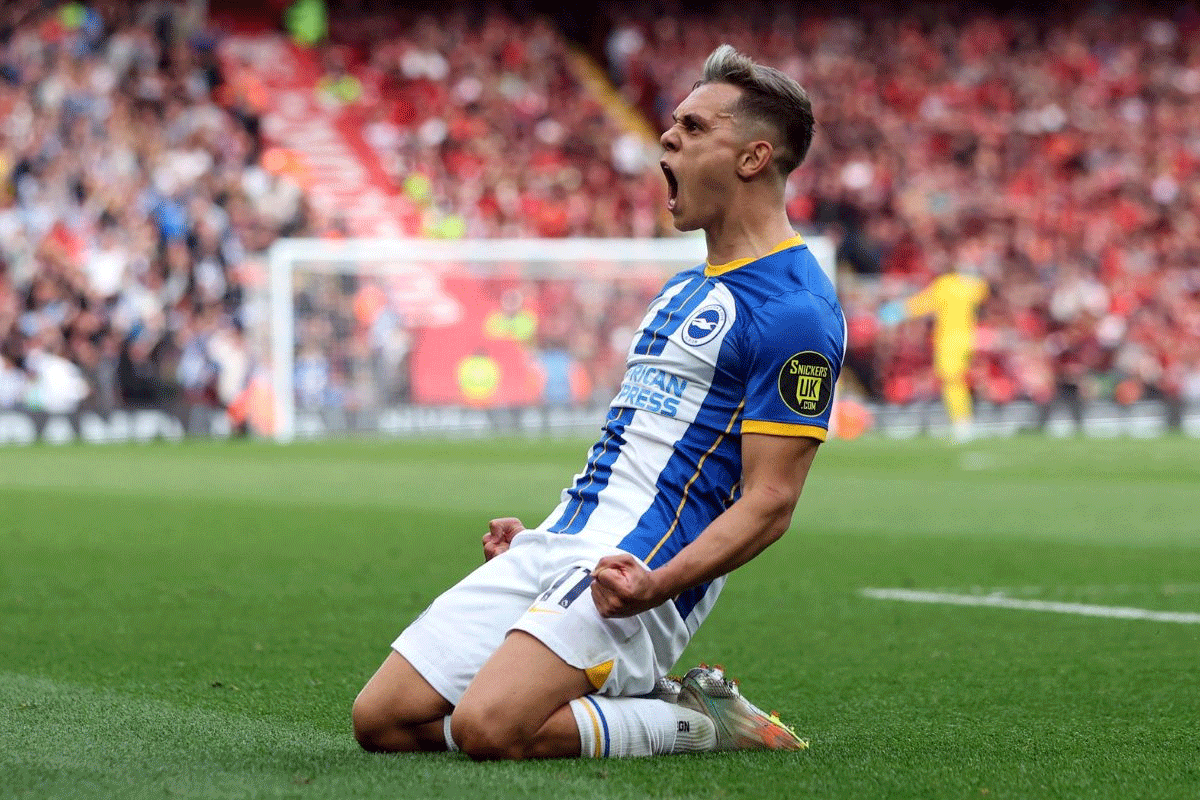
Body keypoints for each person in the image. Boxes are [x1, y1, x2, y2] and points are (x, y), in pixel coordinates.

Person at [352, 44, 845, 760]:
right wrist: (536, 543)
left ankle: (701, 722)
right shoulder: (682, 290)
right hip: (560, 538)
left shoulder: (796, 310)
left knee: (492, 729)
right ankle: (597, 677)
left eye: (695, 127)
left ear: (752, 158)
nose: (667, 137)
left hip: (646, 565)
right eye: (673, 122)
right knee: (383, 720)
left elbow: (770, 501)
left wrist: (657, 586)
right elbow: (633, 450)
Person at [879, 241, 989, 442]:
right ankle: (963, 421)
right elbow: (981, 291)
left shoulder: (947, 285)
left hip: (949, 341)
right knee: (955, 381)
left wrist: (899, 310)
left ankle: (962, 423)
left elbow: (922, 304)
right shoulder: (971, 286)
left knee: (951, 380)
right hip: (965, 339)